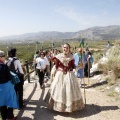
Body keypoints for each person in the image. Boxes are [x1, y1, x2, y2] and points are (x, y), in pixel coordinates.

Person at [44, 43, 85, 112]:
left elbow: (73, 67)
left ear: (69, 49)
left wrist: (80, 65)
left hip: (69, 75)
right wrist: (54, 72)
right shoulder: (58, 56)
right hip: (60, 75)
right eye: (64, 47)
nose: (65, 49)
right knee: (59, 90)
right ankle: (58, 106)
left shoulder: (71, 57)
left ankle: (69, 107)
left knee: (69, 91)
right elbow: (56, 66)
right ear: (62, 48)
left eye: (67, 48)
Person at [0, 50, 19, 120]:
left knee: (1, 104)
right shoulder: (4, 66)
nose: (5, 58)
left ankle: (4, 118)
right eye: (4, 56)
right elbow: (9, 76)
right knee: (11, 101)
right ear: (1, 57)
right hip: (6, 87)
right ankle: (10, 117)